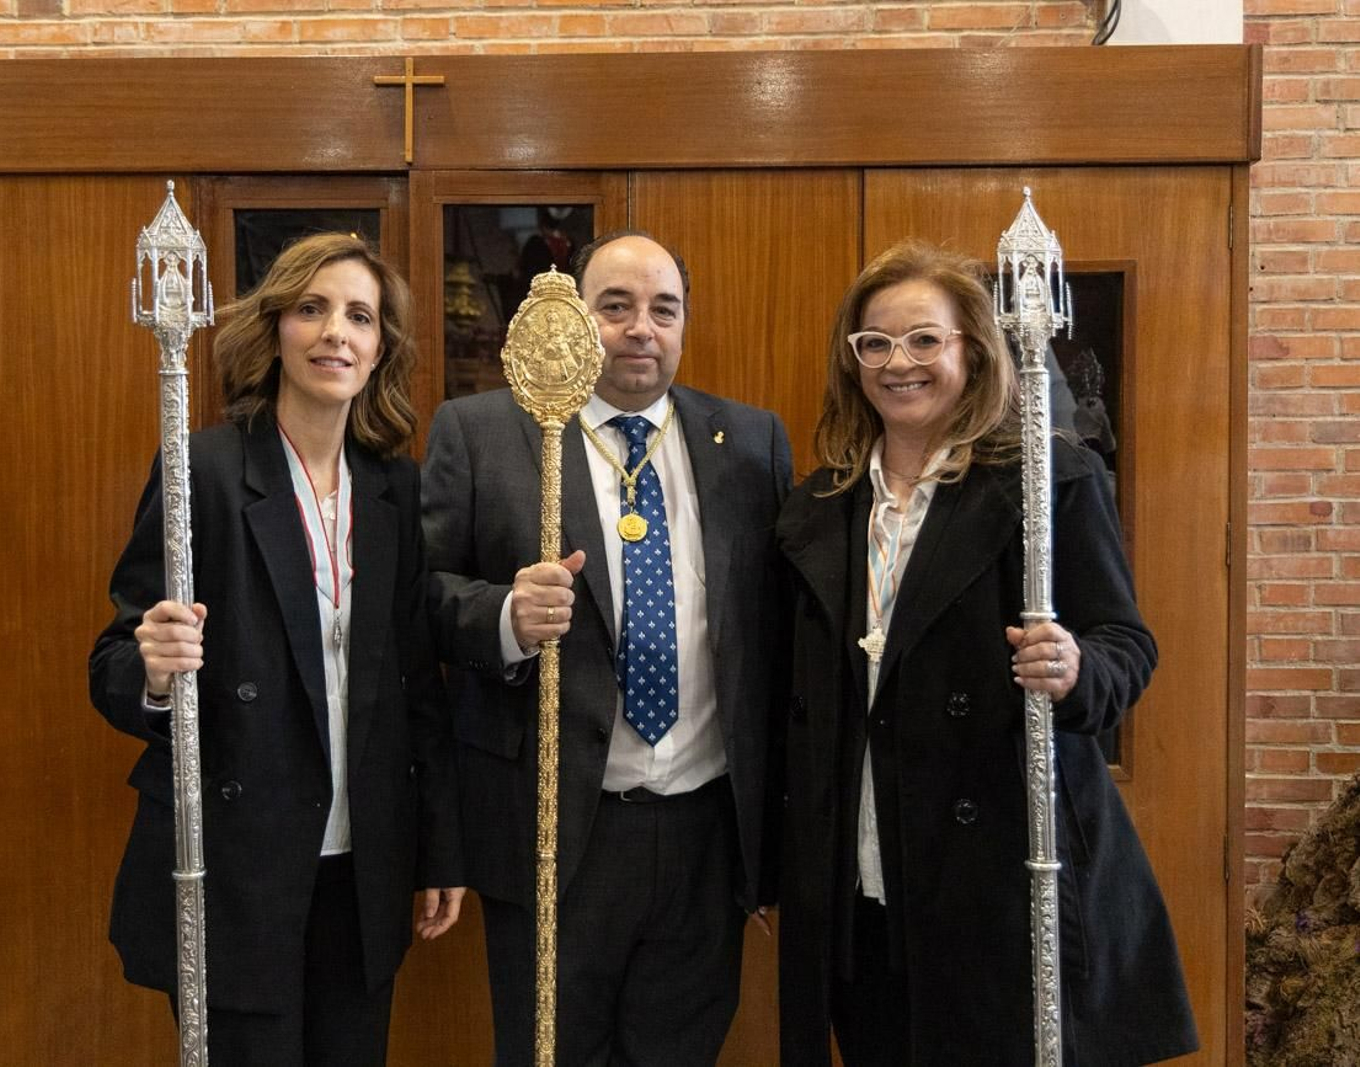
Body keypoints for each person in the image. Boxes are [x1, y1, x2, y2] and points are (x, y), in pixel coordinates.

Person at [774, 240, 1197, 1066]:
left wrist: (1075, 667)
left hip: (999, 879)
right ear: (852, 357)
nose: (900, 362)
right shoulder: (817, 507)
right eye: (876, 343)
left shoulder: (1046, 482)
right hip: (861, 879)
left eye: (925, 339)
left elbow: (1127, 644)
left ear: (972, 348)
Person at [90, 233, 464, 1067]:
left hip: (362, 867)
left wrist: (440, 848)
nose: (337, 330)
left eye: (359, 316)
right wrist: (152, 671)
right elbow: (114, 658)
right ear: (277, 330)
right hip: (239, 869)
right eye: (313, 308)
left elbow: (415, 688)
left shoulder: (391, 488)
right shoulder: (207, 469)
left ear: (379, 350)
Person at [422, 230, 793, 1067]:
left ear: (685, 324)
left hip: (705, 830)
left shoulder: (751, 443)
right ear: (573, 318)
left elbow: (776, 642)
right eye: (614, 306)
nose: (640, 329)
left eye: (663, 309)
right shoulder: (484, 433)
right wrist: (508, 616)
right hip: (554, 829)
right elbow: (420, 598)